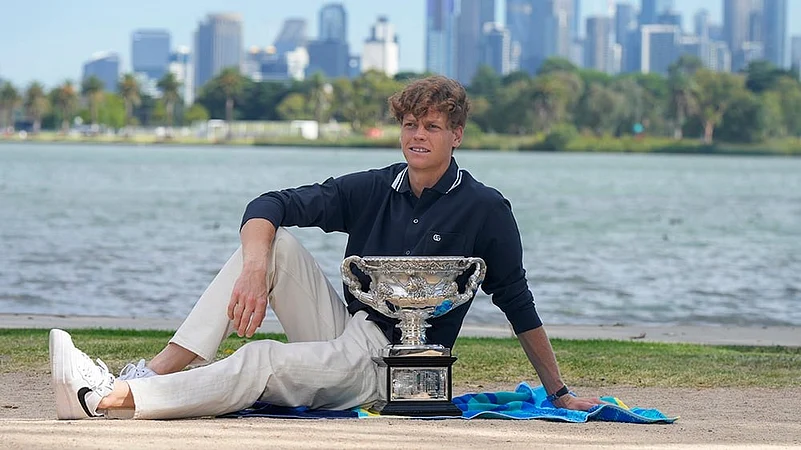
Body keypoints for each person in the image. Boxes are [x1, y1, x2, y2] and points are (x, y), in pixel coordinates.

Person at [49, 76, 604, 420]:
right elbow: (270, 203)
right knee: (280, 245)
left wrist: (557, 393)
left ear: (456, 134)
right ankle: (155, 372)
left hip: (387, 366)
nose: (417, 136)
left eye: (431, 126)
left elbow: (517, 300)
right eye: (409, 124)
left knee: (261, 357)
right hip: (345, 333)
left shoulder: (486, 208)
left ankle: (107, 400)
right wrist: (254, 268)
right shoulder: (375, 186)